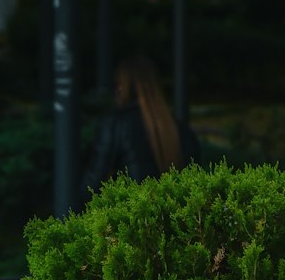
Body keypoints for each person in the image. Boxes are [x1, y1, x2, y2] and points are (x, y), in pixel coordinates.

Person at [82, 55, 201, 195]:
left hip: (130, 212)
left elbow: (93, 182)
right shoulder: (179, 130)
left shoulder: (115, 125)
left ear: (122, 87)